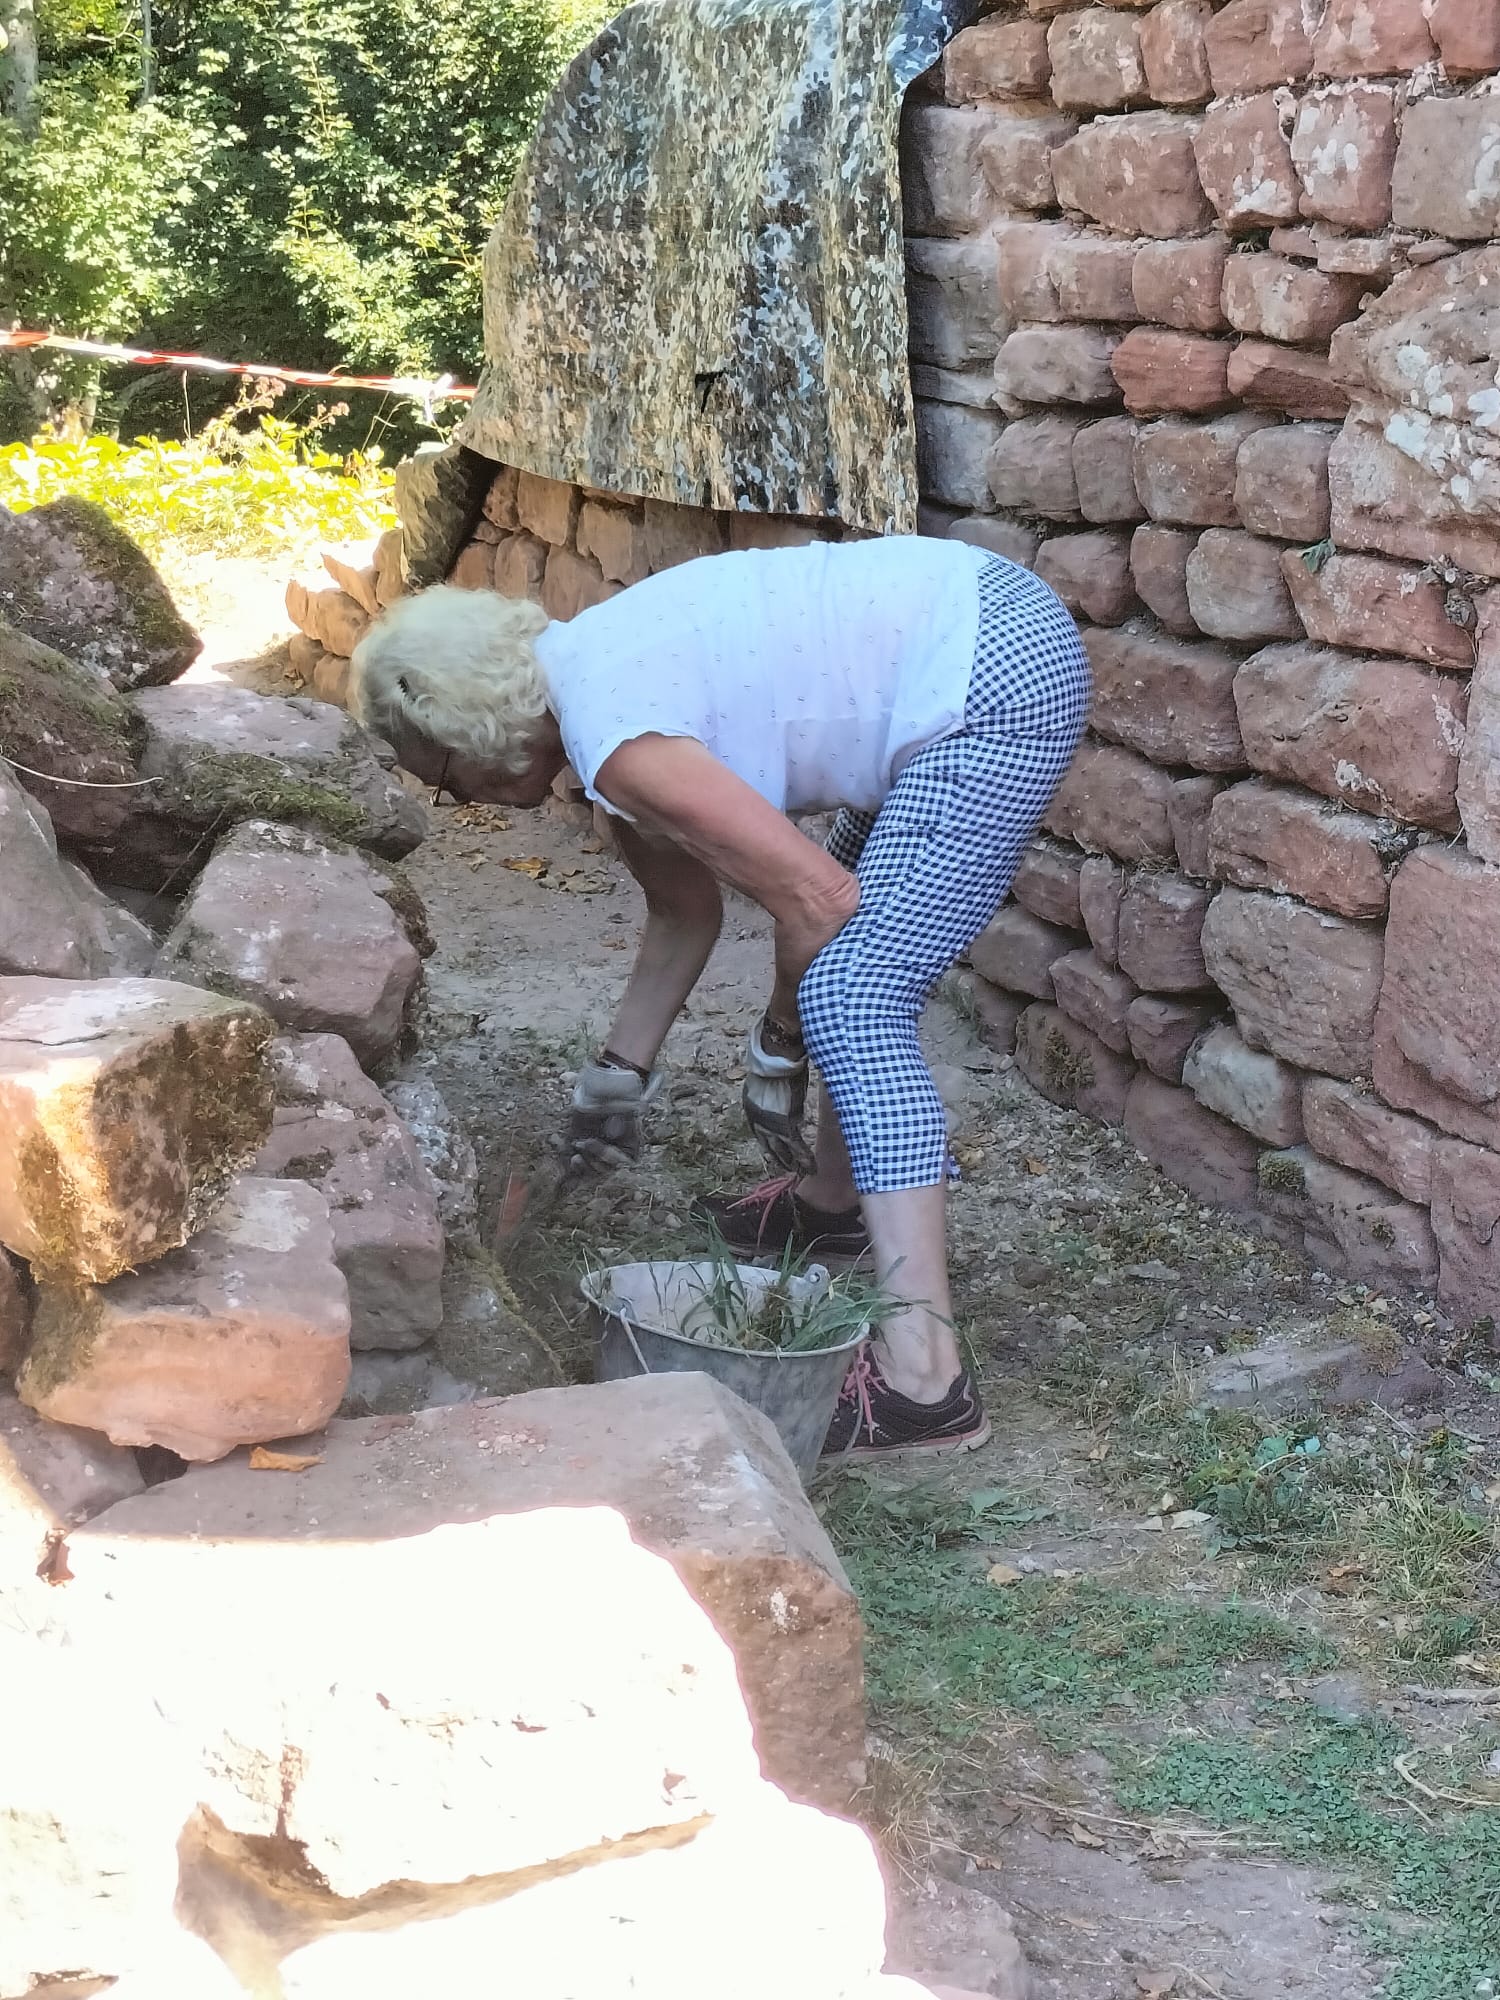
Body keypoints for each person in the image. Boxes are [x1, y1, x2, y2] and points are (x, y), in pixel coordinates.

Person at [349, 534, 1089, 1458]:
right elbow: (681, 912)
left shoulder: (619, 738)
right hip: (962, 642)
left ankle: (925, 1385)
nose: (462, 800)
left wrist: (777, 1042)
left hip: (989, 674)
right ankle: (834, 1208)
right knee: (844, 978)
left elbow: (817, 901)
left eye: (442, 778)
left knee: (853, 998)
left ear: (465, 733)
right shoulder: (599, 708)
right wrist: (616, 1079)